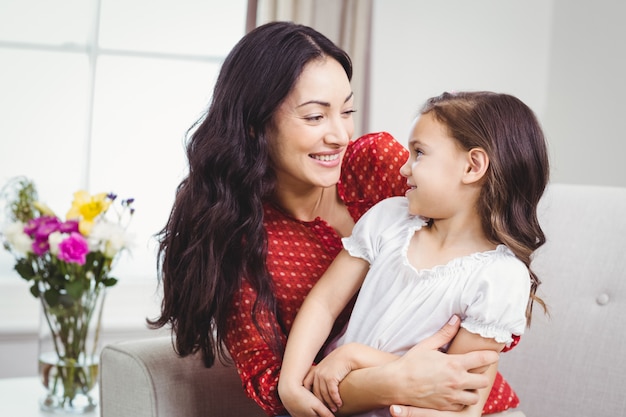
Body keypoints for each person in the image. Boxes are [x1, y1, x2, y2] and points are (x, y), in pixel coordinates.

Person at [148, 21, 518, 417]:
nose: (341, 135)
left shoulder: (377, 165)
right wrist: (394, 380)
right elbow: (280, 392)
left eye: (347, 111)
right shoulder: (238, 240)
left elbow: (479, 251)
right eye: (314, 117)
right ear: (255, 126)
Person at [278, 90, 550, 417]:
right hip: (340, 392)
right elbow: (325, 302)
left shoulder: (500, 278)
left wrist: (355, 357)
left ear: (472, 166)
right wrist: (290, 383)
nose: (404, 169)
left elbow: (455, 387)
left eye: (419, 153)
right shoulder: (389, 218)